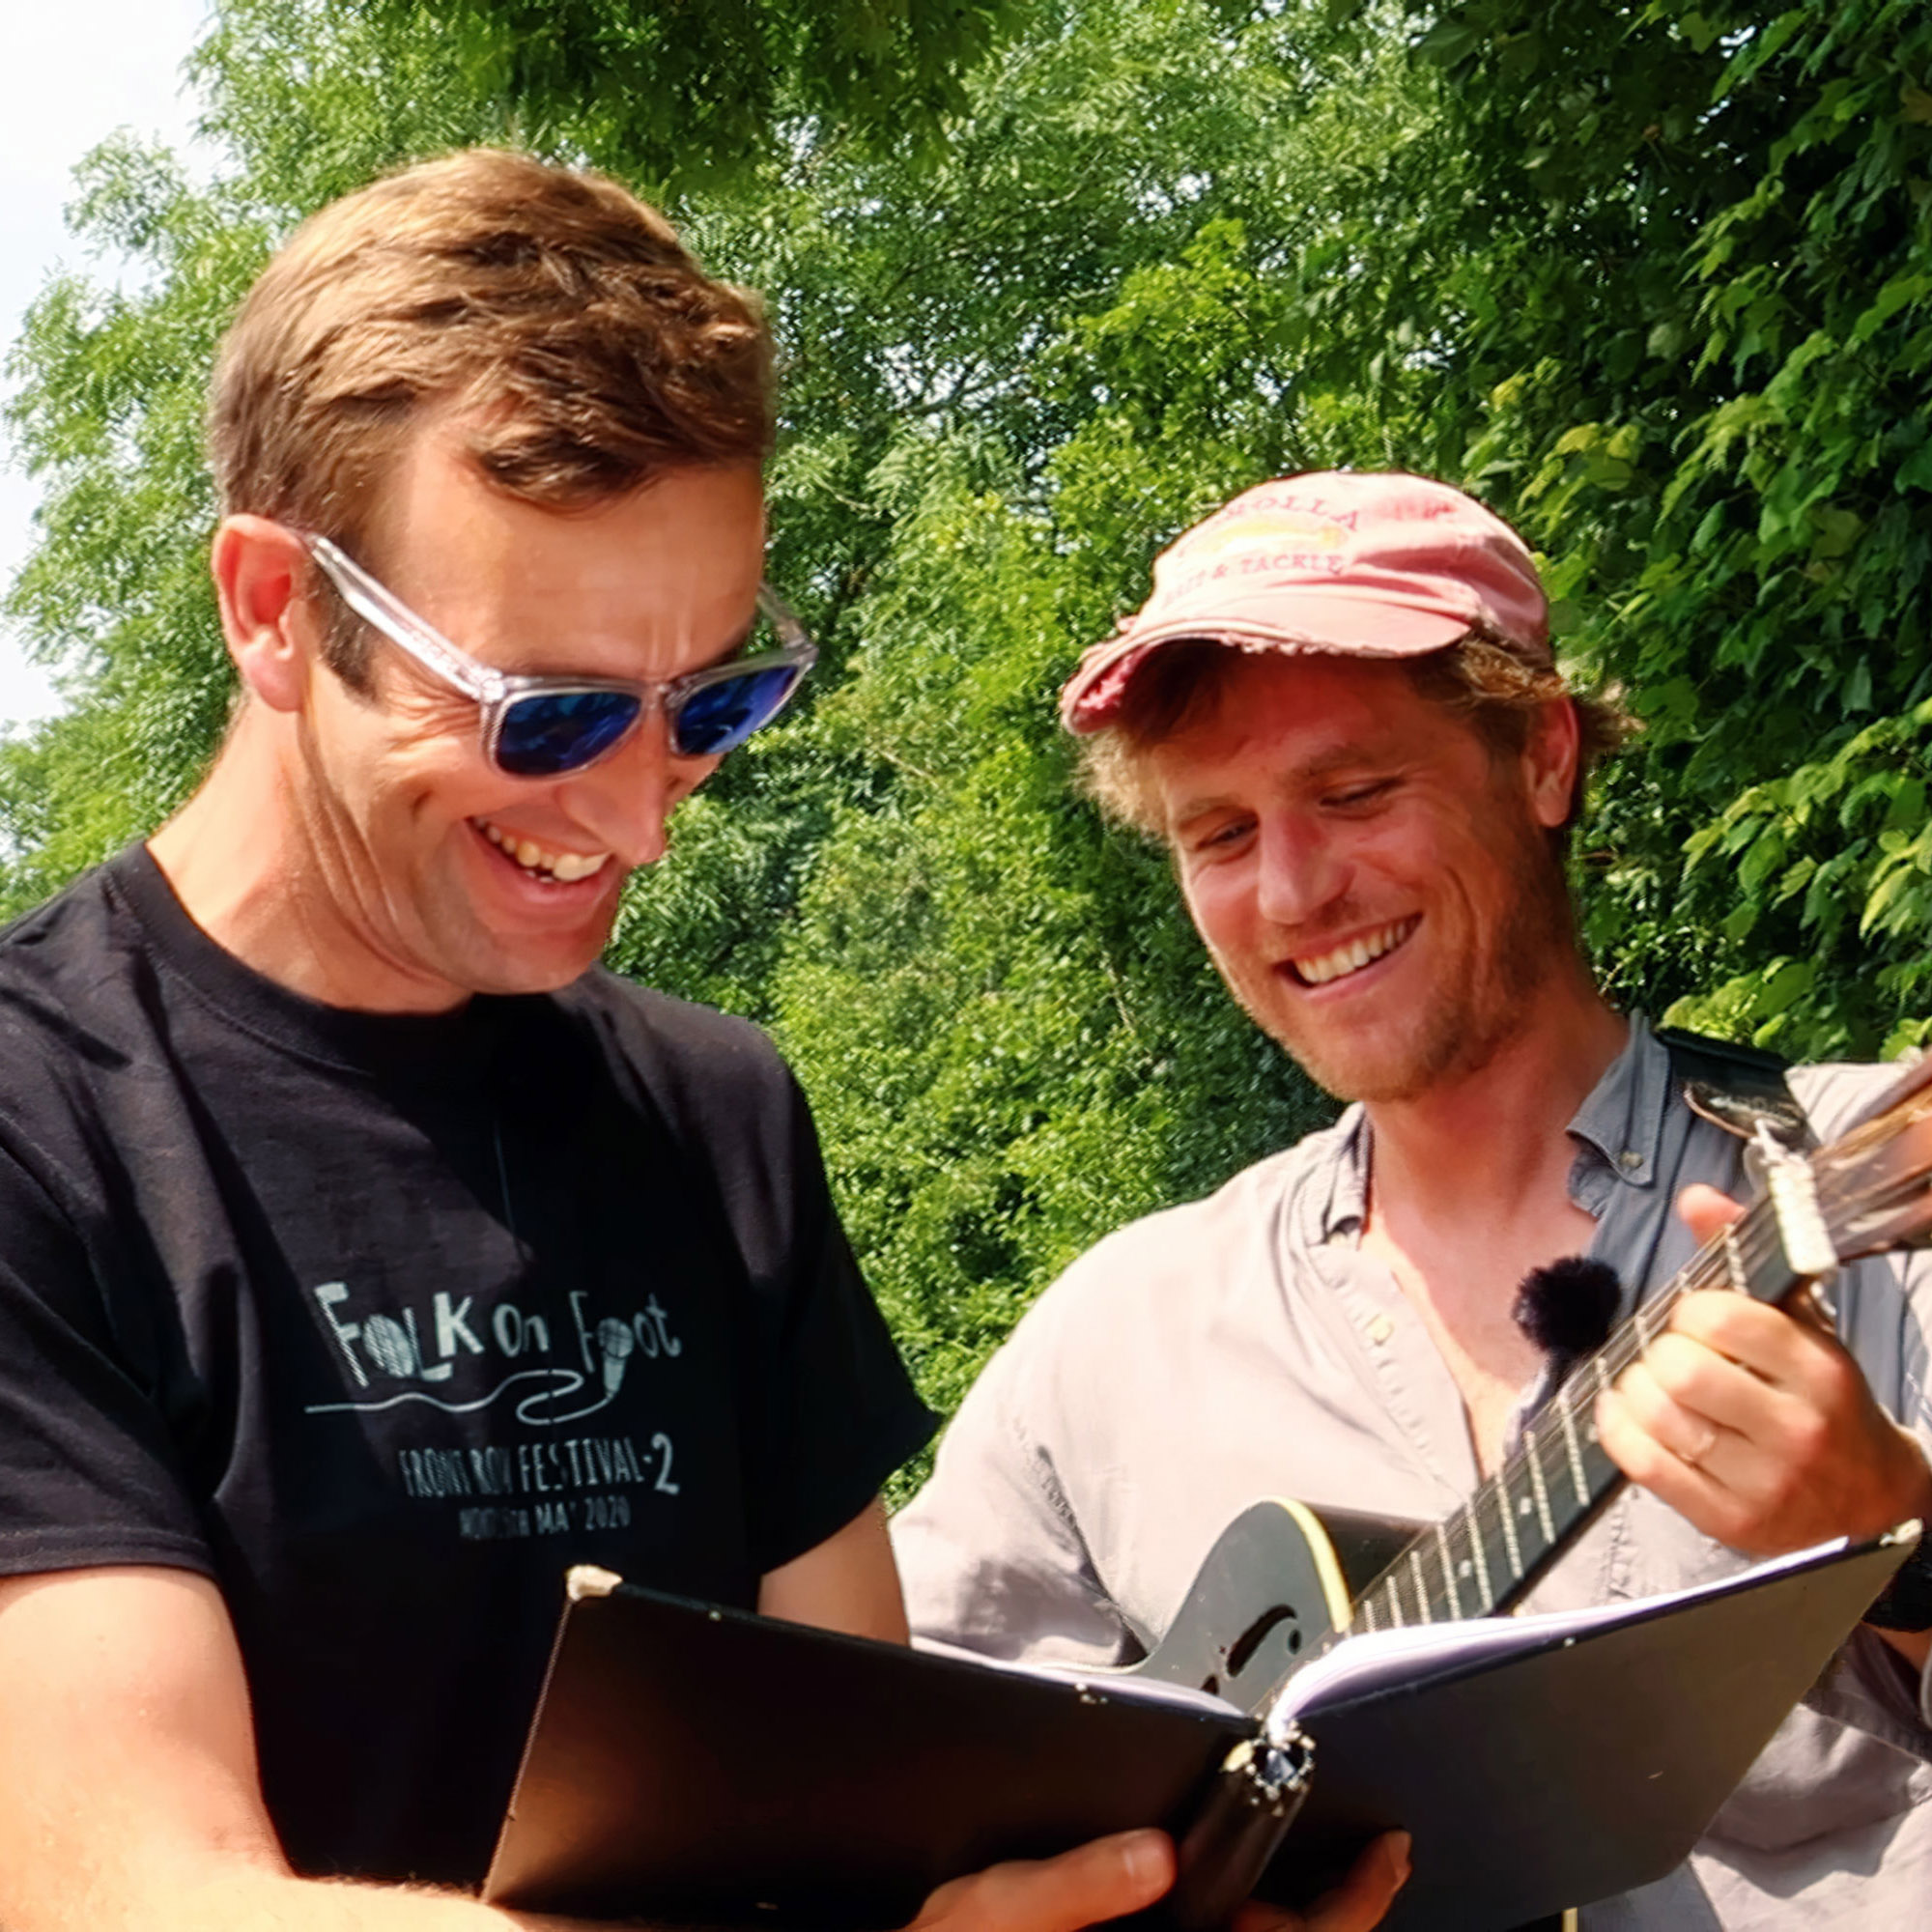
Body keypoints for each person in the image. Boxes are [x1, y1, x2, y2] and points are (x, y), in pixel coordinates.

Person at [0, 156, 1407, 1932]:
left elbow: (868, 1800)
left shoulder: (709, 1109)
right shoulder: (42, 1130)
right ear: (278, 610)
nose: (642, 819)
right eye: (552, 711)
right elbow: (131, 1890)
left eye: (716, 700)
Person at [895, 470, 1932, 1926]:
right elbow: (880, 1790)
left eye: (1356, 792)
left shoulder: (1850, 1190)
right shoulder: (1120, 1335)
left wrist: (1906, 1543)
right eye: (1221, 835)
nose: (1293, 891)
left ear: (1546, 758)